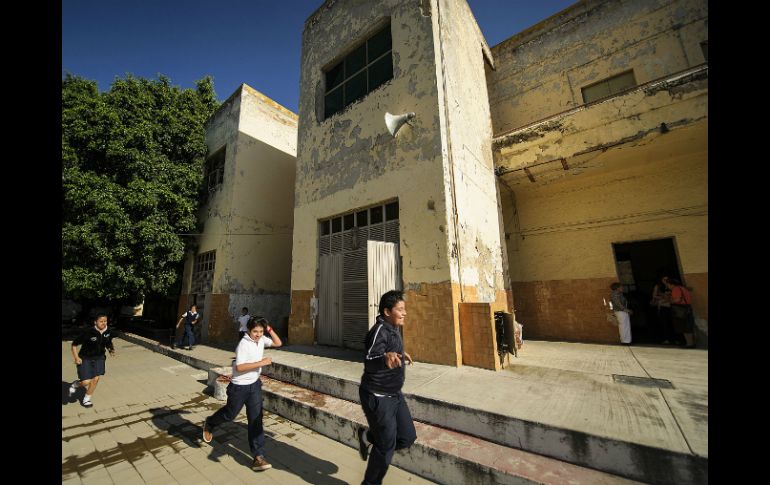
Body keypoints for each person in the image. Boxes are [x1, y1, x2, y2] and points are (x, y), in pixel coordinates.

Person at [202, 317, 282, 472]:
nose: (258, 334)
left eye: (260, 331)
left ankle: (258, 456)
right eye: (255, 331)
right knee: (230, 415)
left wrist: (270, 329)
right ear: (248, 331)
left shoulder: (262, 339)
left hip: (255, 386)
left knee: (256, 420)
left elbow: (278, 343)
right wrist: (262, 363)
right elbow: (239, 367)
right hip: (239, 388)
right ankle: (210, 423)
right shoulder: (244, 344)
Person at [356, 290, 417, 485]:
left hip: (394, 394)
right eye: (400, 309)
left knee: (407, 437)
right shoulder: (379, 331)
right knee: (386, 446)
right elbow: (369, 359)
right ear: (387, 311)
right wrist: (384, 358)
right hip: (377, 395)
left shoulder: (393, 328)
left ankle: (368, 436)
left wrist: (400, 352)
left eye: (404, 309)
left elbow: (387, 349)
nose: (404, 313)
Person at [68, 313, 117, 407]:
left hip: (99, 358)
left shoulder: (108, 331)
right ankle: (76, 384)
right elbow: (74, 344)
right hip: (85, 358)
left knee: (96, 379)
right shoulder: (88, 332)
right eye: (101, 321)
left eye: (105, 321)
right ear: (95, 322)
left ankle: (86, 399)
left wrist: (111, 350)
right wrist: (76, 357)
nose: (103, 323)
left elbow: (108, 342)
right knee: (86, 382)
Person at [665, 278, 696, 348]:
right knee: (688, 327)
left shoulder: (675, 289)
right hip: (687, 308)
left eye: (668, 285)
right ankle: (691, 343)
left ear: (672, 284)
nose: (668, 287)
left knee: (684, 327)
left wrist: (670, 300)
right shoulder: (683, 288)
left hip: (681, 309)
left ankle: (689, 344)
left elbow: (677, 299)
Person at [650, 276, 674, 344]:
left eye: (667, 279)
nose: (666, 280)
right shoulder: (658, 286)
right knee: (664, 323)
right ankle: (667, 338)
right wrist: (663, 296)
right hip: (663, 306)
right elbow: (654, 296)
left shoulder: (672, 286)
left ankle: (673, 338)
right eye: (664, 279)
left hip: (671, 306)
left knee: (672, 323)